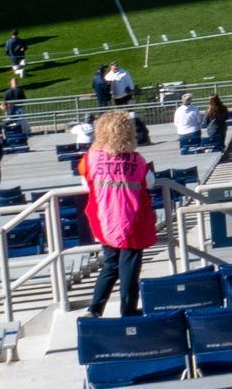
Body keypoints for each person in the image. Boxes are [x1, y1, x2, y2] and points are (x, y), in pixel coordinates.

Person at [80, 112, 158, 317]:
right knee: (130, 270)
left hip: (104, 220)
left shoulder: (91, 158)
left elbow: (85, 183)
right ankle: (128, 310)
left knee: (111, 264)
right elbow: (150, 182)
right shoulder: (137, 160)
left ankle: (95, 308)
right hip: (132, 220)